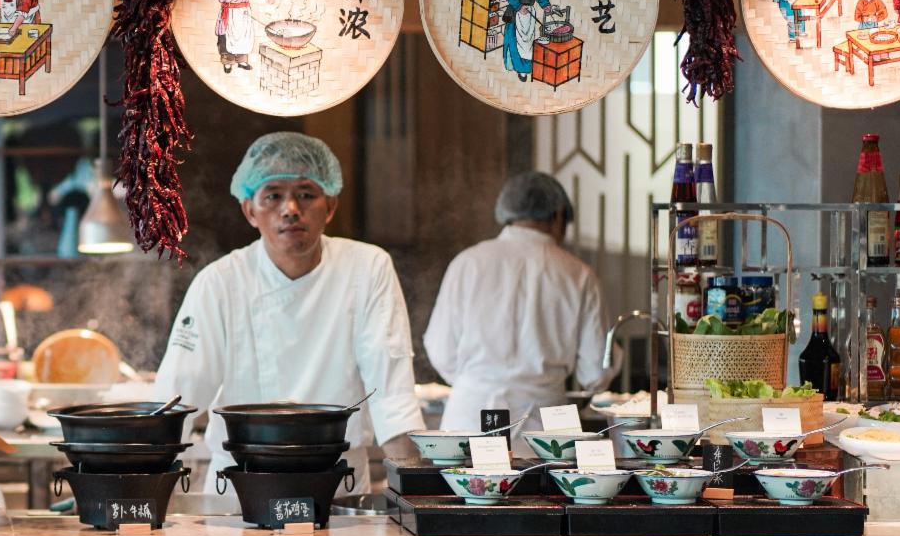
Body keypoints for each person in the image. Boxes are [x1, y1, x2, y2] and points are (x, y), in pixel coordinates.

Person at [155, 132, 425, 488]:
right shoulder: (220, 282)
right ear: (249, 210)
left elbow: (392, 390)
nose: (290, 209)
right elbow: (177, 395)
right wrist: (137, 489)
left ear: (330, 206)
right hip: (241, 483)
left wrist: (413, 494)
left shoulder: (367, 268)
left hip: (337, 482)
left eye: (305, 194)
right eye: (273, 196)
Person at [424, 171, 615, 433]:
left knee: (468, 476)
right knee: (543, 475)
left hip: (471, 415)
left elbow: (440, 349)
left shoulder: (468, 262)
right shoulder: (579, 274)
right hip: (546, 425)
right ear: (558, 215)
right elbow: (595, 372)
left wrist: (481, 381)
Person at [503, 0, 551, 79]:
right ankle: (519, 69)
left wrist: (545, 5)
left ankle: (528, 68)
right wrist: (519, 6)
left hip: (528, 16)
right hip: (515, 16)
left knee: (529, 43)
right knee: (516, 44)